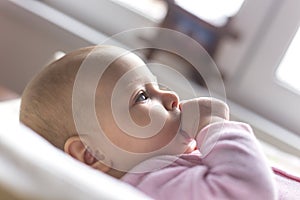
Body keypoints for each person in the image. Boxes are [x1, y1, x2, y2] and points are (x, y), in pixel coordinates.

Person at [20, 45, 276, 199]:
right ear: (91, 155)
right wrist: (214, 125)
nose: (171, 96)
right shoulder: (153, 185)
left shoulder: (164, 168)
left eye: (157, 85)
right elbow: (250, 192)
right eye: (142, 96)